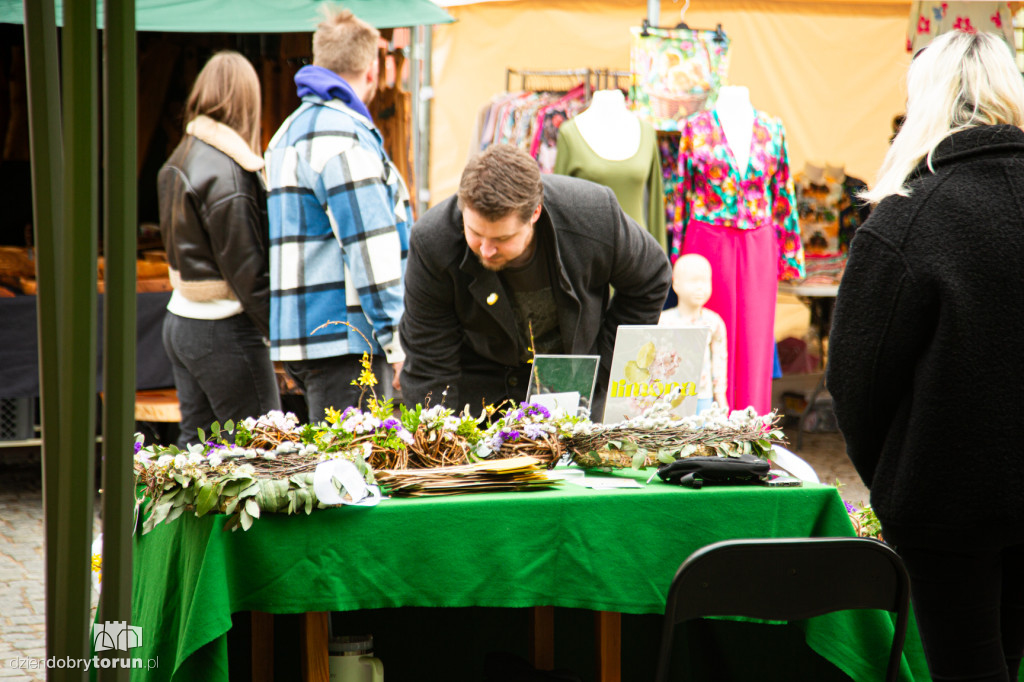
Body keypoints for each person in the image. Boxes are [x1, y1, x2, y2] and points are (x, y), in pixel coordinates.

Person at [827, 30, 1024, 681]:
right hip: (957, 498)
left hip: (946, 501)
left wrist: (897, 480)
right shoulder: (904, 221)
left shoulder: (907, 220)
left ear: (924, 101)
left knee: (967, 663)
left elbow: (857, 385)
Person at [399, 143, 672, 414]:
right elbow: (429, 362)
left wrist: (603, 367)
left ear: (535, 213)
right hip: (477, 400)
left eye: (502, 238)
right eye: (475, 233)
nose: (486, 249)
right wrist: (437, 433)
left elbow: (651, 278)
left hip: (573, 392)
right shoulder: (433, 242)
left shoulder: (594, 217)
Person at [265, 8, 410, 423]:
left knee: (328, 463)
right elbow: (370, 246)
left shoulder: (287, 132)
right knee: (355, 465)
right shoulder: (343, 138)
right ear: (372, 69)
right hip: (347, 344)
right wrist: (397, 340)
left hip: (304, 340)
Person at [157, 51, 280, 448]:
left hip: (182, 321)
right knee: (262, 450)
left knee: (196, 456)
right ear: (247, 101)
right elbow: (249, 276)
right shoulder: (229, 171)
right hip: (223, 329)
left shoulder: (180, 155)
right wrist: (285, 340)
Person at [659, 254, 727, 413]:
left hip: (703, 395)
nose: (700, 288)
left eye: (705, 281)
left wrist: (720, 395)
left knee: (702, 427)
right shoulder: (664, 321)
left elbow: (719, 359)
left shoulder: (714, 322)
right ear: (676, 284)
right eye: (693, 281)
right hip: (670, 395)